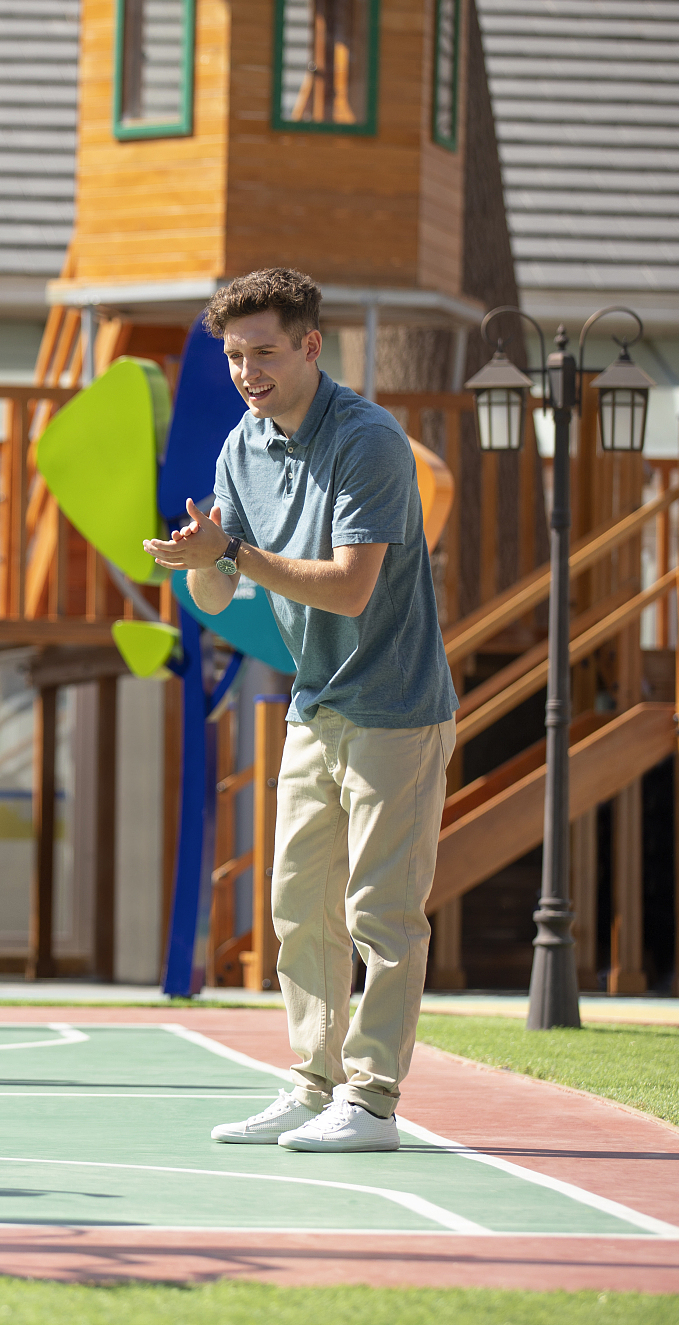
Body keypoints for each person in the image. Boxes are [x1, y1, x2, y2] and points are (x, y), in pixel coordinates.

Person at [144, 268, 459, 1154]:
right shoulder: (243, 445)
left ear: (312, 347)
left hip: (397, 706)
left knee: (381, 913)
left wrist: (234, 552)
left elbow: (352, 589)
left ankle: (374, 1100)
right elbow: (218, 586)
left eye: (265, 352)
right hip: (314, 702)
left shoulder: (370, 442)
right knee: (296, 905)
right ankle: (315, 1082)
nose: (247, 371)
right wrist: (199, 558)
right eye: (236, 355)